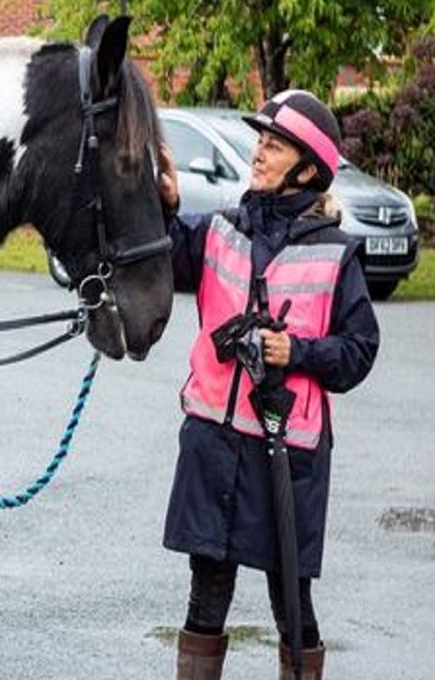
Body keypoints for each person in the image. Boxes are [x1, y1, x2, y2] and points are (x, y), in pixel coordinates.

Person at [157, 90, 380, 680]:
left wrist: (296, 351)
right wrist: (165, 207)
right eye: (260, 141)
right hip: (213, 442)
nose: (258, 153)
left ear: (306, 169)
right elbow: (165, 260)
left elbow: (360, 351)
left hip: (288, 457)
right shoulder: (222, 229)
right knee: (206, 598)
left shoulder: (336, 254)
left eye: (274, 145)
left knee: (292, 605)